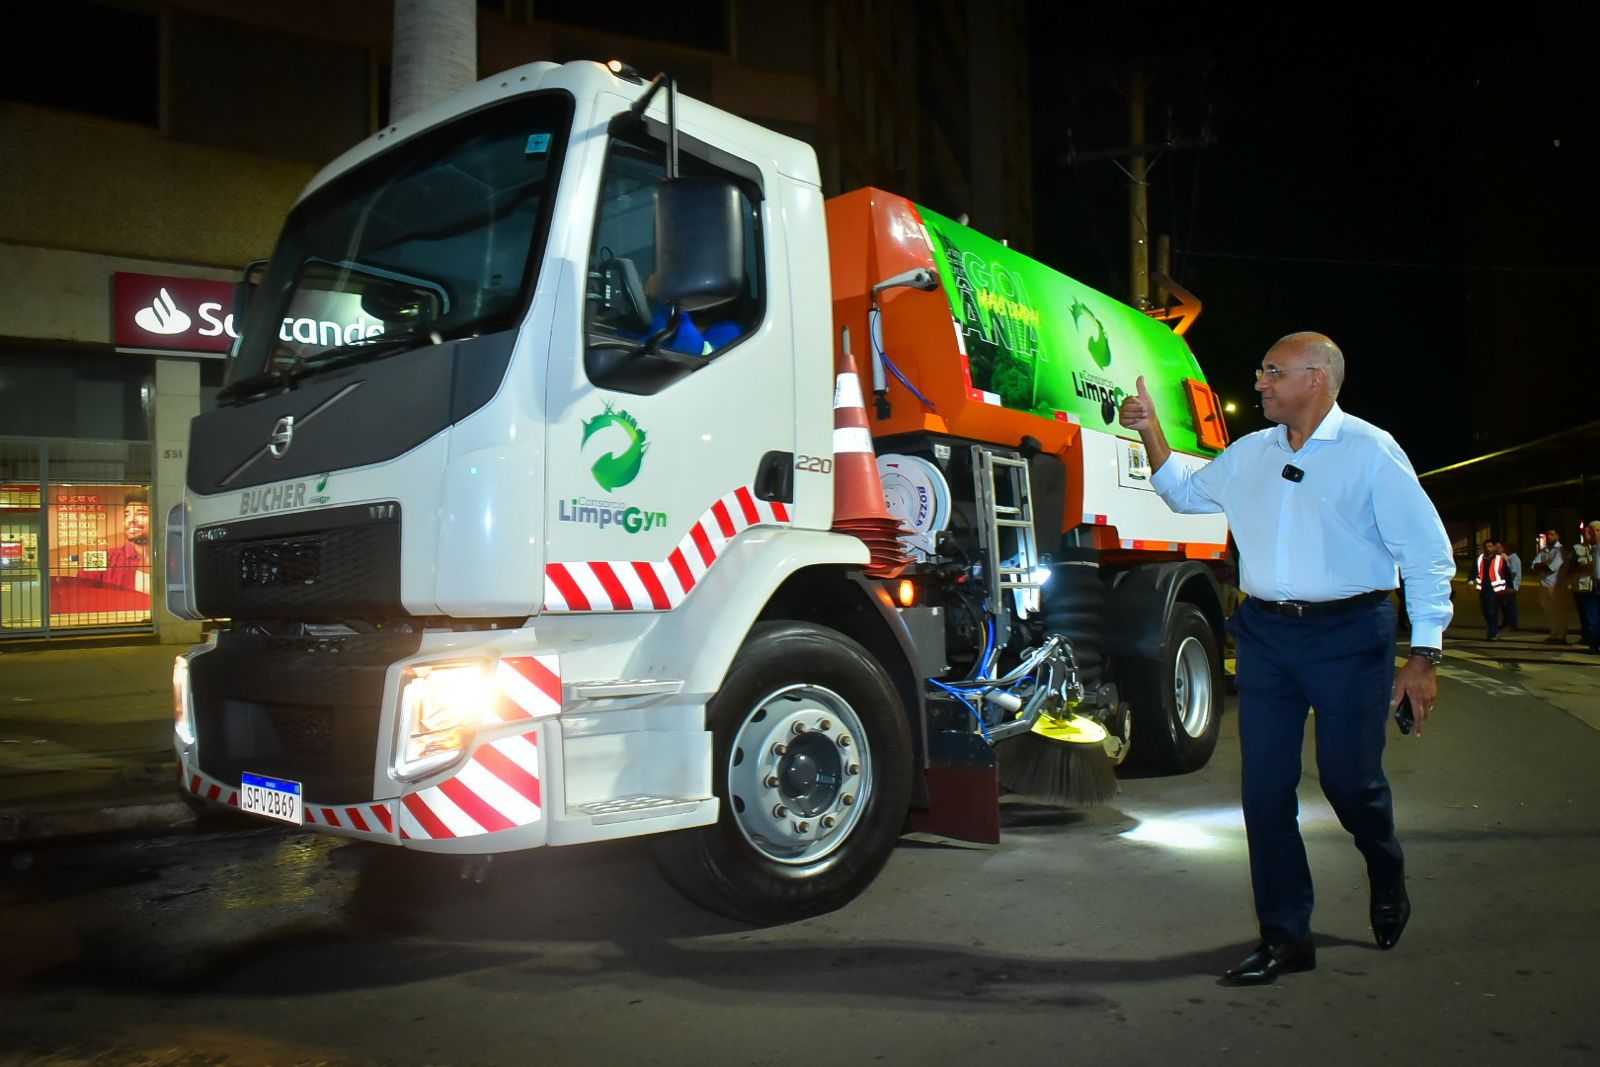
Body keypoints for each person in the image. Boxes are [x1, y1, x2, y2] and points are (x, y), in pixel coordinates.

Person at [1118, 331, 1453, 986]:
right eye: (1262, 371)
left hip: (1351, 635)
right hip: (1268, 635)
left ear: (1316, 378)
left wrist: (1424, 655)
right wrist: (1151, 430)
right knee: (1265, 791)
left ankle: (1385, 868)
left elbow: (1426, 555)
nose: (1260, 383)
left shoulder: (1371, 452)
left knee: (1349, 782)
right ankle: (1286, 935)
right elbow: (1184, 492)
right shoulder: (1251, 453)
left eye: (1274, 372)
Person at [100, 491, 151, 597]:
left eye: (141, 514)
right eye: (126, 515)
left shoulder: (176, 558)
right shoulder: (104, 558)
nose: (131, 520)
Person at [1530, 529, 1572, 645]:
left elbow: (1550, 568)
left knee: (1558, 611)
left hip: (1556, 585)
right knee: (1549, 611)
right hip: (1544, 584)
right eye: (1548, 534)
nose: (1549, 537)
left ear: (1558, 536)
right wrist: (1543, 564)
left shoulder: (1560, 551)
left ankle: (1561, 636)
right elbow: (1533, 565)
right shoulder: (1544, 550)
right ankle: (1553, 634)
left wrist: (1542, 565)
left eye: (1552, 534)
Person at [1469, 539, 1507, 640]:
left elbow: (1506, 573)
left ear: (1494, 547)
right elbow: (1474, 570)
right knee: (1485, 611)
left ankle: (1492, 632)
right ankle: (1493, 630)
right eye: (1485, 546)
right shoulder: (1480, 559)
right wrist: (1470, 581)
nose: (1487, 548)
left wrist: (1510, 587)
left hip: (1495, 590)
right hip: (1483, 589)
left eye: (1490, 546)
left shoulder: (1500, 559)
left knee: (1492, 611)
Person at [1574, 521, 1600, 653]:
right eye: (1591, 531)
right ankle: (1594, 644)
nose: (1594, 533)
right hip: (1592, 585)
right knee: (1592, 617)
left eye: (1598, 530)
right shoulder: (1587, 548)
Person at [1499, 541, 1522, 633]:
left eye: (1505, 548)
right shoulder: (1510, 558)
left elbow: (1513, 572)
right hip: (1509, 585)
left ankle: (1512, 625)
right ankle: (1506, 623)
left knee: (1510, 606)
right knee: (1506, 606)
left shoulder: (1514, 558)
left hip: (1512, 585)